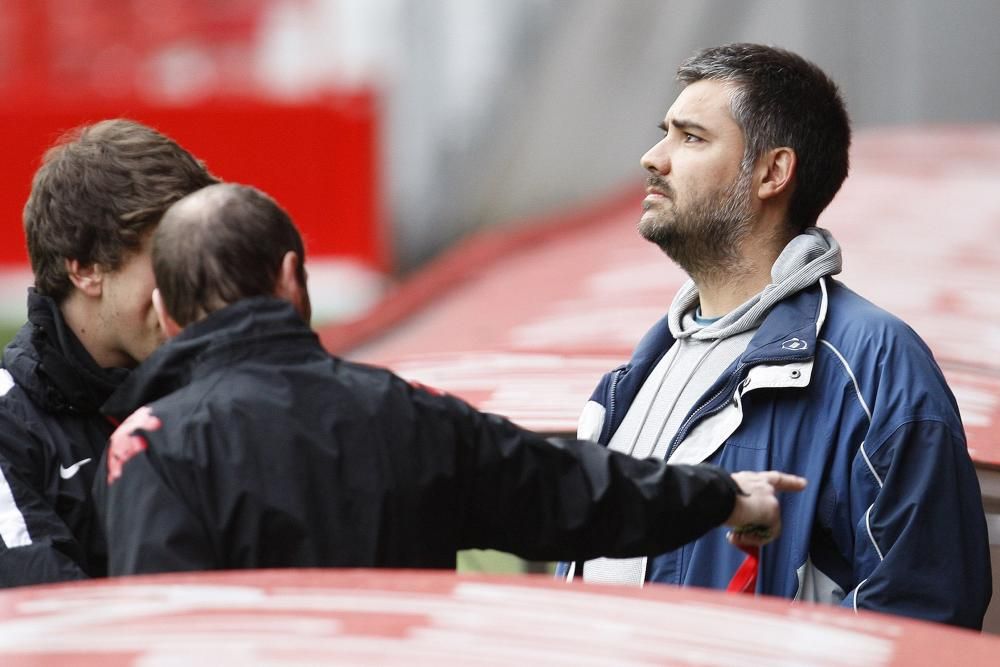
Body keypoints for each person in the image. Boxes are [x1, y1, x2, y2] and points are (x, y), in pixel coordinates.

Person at [95, 182, 805, 575]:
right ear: (290, 278)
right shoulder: (406, 415)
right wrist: (726, 496)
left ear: (163, 311)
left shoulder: (149, 446)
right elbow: (574, 490)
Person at [556, 43, 991, 629]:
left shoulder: (875, 365)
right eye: (666, 133)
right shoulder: (640, 373)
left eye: (691, 138)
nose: (653, 158)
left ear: (772, 173)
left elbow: (921, 615)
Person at [0, 119, 219, 587]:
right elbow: (47, 612)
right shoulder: (9, 427)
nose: (190, 288)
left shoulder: (218, 387)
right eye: (167, 261)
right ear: (85, 269)